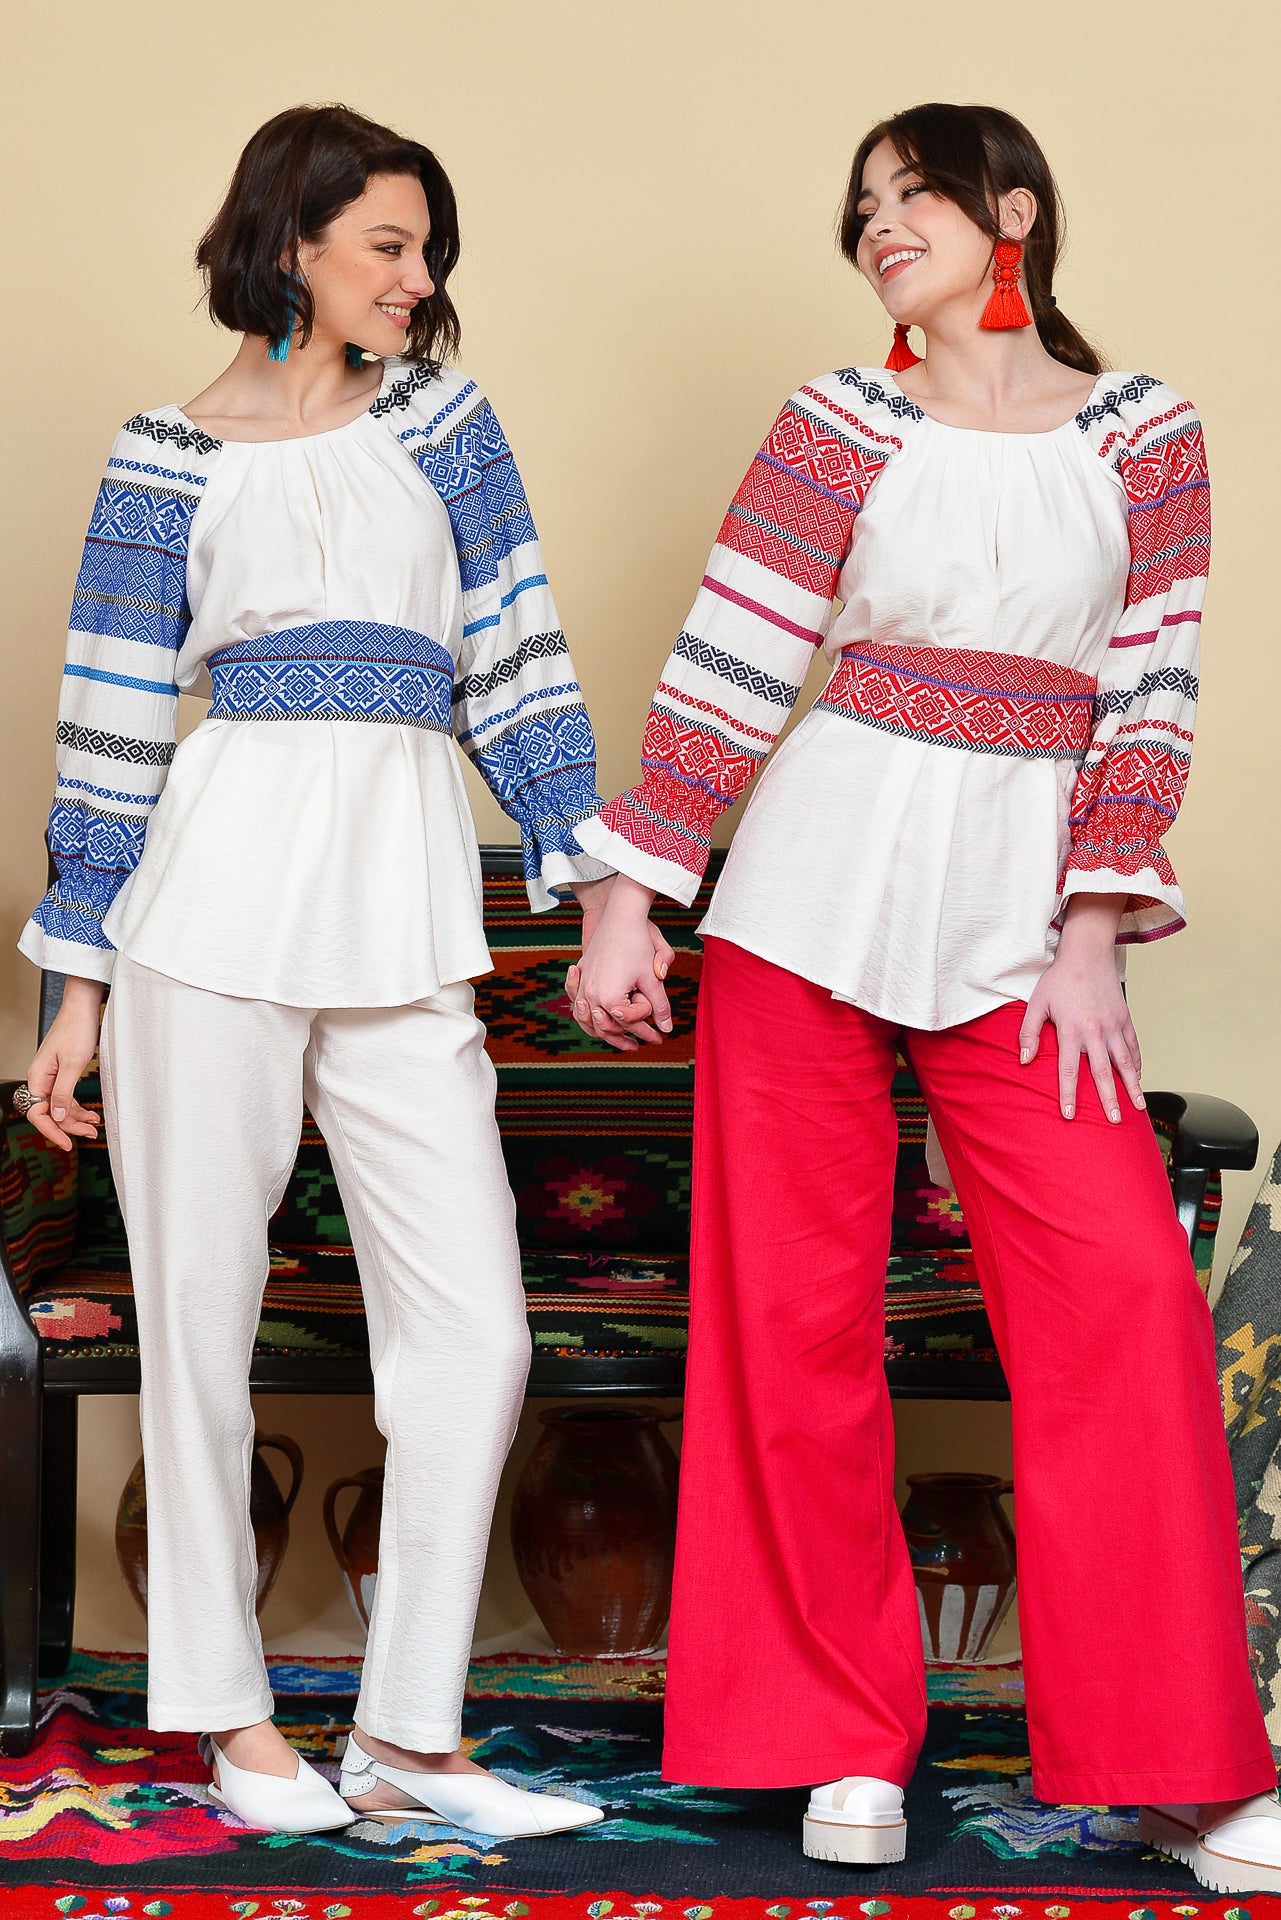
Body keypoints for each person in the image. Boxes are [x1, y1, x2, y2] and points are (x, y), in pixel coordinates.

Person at [567, 102, 1281, 1892]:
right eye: (862, 206)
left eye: (915, 196)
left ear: (1010, 213)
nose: (880, 225)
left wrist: (1092, 926)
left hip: (1024, 908)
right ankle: (827, 1734)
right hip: (806, 889)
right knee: (790, 1321)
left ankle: (1178, 1768)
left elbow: (1155, 686)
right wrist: (633, 899)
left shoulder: (1145, 432)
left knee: (1121, 1304)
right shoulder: (836, 419)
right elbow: (736, 649)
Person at [15, 103, 615, 1840]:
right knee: (198, 1324)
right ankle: (230, 1719)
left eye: (428, 252)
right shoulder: (162, 455)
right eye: (388, 246)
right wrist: (77, 991)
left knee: (476, 1336)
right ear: (290, 243)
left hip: (402, 904)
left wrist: (593, 887)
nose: (417, 281)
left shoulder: (446, 426)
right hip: (204, 907)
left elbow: (518, 659)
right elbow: (113, 719)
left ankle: (410, 1736)